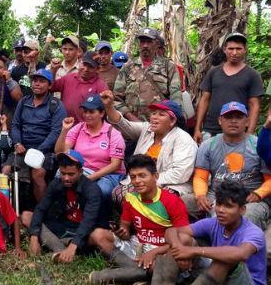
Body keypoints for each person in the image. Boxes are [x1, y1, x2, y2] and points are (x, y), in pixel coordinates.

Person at [127, 181, 266, 285]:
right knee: (183, 238)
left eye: (228, 206)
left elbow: (241, 253)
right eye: (219, 204)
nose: (221, 210)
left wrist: (192, 251)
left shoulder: (253, 232)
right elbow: (172, 231)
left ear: (242, 210)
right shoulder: (213, 223)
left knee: (225, 259)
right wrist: (179, 249)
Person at [88, 155, 190, 285]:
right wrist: (122, 232)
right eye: (133, 177)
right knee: (98, 235)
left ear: (155, 176)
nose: (137, 181)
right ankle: (138, 274)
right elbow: (125, 227)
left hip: (163, 249)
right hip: (138, 244)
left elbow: (183, 240)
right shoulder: (130, 198)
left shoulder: (172, 201)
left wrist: (154, 252)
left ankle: (131, 274)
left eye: (142, 175)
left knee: (159, 265)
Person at [184, 101, 271, 229]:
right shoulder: (208, 145)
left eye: (238, 117)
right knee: (183, 202)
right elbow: (201, 177)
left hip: (249, 200)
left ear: (247, 121)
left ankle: (240, 246)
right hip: (216, 197)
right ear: (220, 120)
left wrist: (259, 193)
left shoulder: (258, 145)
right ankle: (194, 242)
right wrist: (201, 195)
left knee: (245, 217)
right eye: (228, 117)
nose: (233, 121)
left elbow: (269, 179)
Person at [99, 91, 197, 205]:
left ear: (172, 121)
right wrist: (109, 107)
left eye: (161, 114)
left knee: (156, 200)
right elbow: (123, 124)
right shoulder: (147, 129)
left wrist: (148, 181)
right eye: (154, 113)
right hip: (141, 182)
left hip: (170, 184)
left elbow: (180, 173)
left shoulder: (183, 139)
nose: (154, 117)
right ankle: (133, 222)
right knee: (119, 193)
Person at [23, 151, 104, 263]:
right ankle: (61, 249)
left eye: (71, 174)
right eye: (63, 173)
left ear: (80, 172)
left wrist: (73, 245)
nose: (66, 178)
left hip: (84, 231)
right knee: (27, 216)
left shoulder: (92, 190)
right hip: (63, 227)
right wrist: (34, 237)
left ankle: (65, 248)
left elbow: (88, 221)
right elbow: (41, 208)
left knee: (95, 236)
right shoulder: (57, 184)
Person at [7, 69, 66, 206]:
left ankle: (42, 212)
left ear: (50, 85)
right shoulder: (24, 102)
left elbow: (56, 132)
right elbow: (15, 125)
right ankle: (11, 210)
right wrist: (17, 142)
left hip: (45, 150)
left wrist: (39, 150)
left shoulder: (56, 105)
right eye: (35, 80)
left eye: (42, 81)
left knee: (37, 174)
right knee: (6, 170)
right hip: (22, 147)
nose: (37, 84)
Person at [193, 32, 264, 144]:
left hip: (239, 131)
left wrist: (249, 132)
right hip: (211, 129)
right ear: (225, 49)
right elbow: (204, 100)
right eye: (231, 48)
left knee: (236, 161)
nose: (234, 52)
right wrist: (197, 129)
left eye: (238, 49)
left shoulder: (253, 75)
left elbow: (254, 105)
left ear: (245, 50)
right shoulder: (214, 72)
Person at [55, 94, 125, 204]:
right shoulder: (79, 128)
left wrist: (89, 179)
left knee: (102, 190)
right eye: (85, 111)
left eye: (91, 112)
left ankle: (104, 218)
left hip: (108, 175)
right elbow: (59, 152)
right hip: (83, 170)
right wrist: (64, 130)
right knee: (59, 177)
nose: (87, 115)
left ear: (102, 113)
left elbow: (115, 165)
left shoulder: (113, 133)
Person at [113, 28, 182, 122]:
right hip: (131, 123)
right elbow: (117, 98)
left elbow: (176, 97)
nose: (145, 45)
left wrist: (168, 119)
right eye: (142, 42)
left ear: (157, 44)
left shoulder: (168, 66)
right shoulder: (127, 67)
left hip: (160, 124)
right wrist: (129, 116)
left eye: (149, 42)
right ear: (138, 44)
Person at [50, 51, 109, 123]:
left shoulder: (101, 86)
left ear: (97, 69)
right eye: (84, 64)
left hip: (85, 129)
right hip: (64, 125)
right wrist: (53, 70)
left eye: (90, 67)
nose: (86, 69)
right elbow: (51, 87)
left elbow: (104, 112)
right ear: (80, 62)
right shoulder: (69, 77)